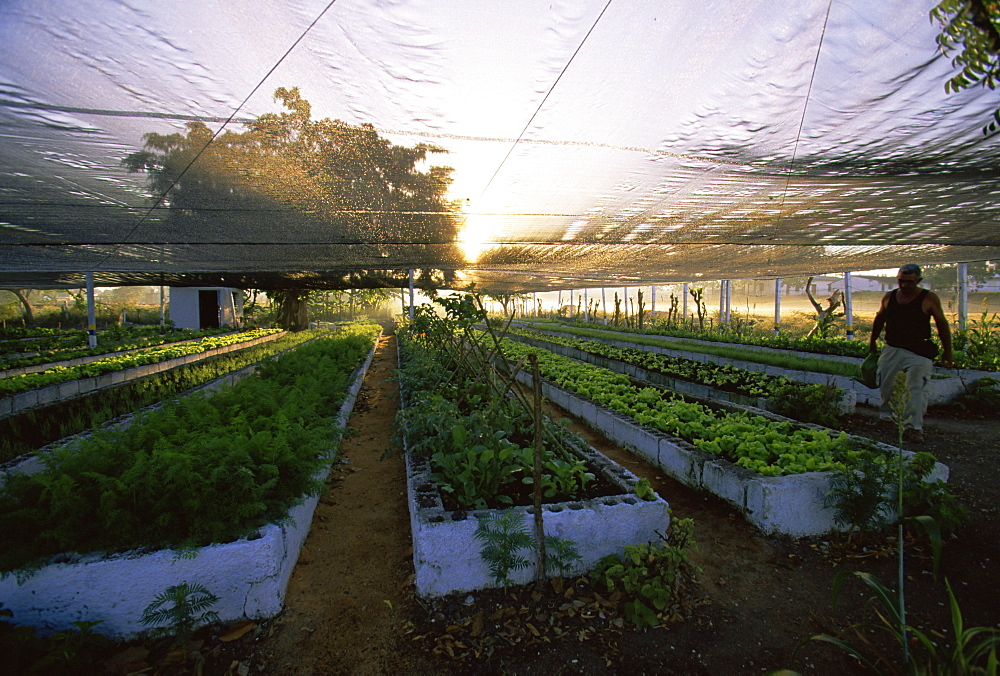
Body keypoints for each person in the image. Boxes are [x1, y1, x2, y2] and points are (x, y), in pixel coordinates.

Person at [868, 263, 953, 443]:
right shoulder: (889, 297)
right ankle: (887, 418)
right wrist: (872, 342)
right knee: (887, 386)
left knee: (915, 388)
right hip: (892, 348)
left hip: (919, 351)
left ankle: (913, 427)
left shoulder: (928, 298)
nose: (905, 285)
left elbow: (942, 324)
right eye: (901, 281)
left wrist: (948, 352)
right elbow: (880, 318)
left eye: (910, 282)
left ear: (918, 281)